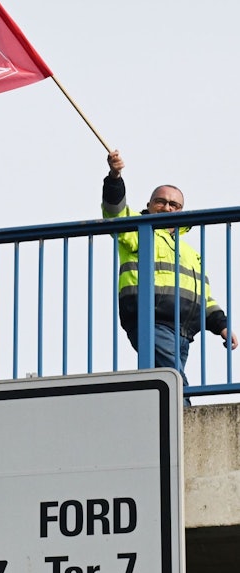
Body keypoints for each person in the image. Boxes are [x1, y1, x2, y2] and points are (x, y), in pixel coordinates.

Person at [102, 150, 237, 398]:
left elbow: (204, 296)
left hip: (184, 332)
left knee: (165, 381)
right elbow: (114, 212)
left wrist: (222, 326)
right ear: (149, 206)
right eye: (161, 202)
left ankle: (164, 420)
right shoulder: (137, 230)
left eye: (174, 205)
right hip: (150, 321)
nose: (167, 207)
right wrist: (115, 176)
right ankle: (185, 423)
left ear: (182, 211)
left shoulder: (190, 253)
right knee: (172, 380)